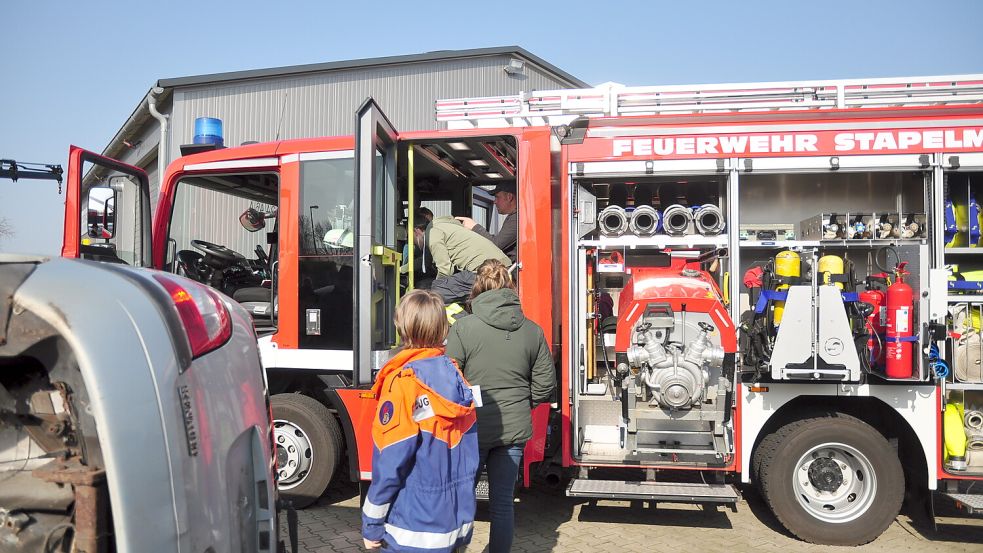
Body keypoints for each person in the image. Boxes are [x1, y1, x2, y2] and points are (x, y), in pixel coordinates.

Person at [444, 259, 555, 553]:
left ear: (478, 287)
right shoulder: (532, 331)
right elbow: (546, 385)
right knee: (503, 503)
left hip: (472, 429)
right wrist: (521, 402)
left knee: (462, 497)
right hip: (513, 430)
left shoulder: (463, 328)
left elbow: (450, 379)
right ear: (510, 288)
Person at [361, 289, 479, 552]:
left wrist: (371, 523)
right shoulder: (457, 377)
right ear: (442, 328)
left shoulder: (403, 383)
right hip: (454, 520)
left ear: (403, 326)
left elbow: (391, 460)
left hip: (412, 524)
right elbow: (469, 453)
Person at [426, 214, 510, 303]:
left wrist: (437, 286)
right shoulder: (449, 226)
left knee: (435, 294)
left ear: (417, 231)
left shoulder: (432, 231)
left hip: (485, 270)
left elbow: (445, 269)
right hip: (503, 265)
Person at [457, 182, 518, 262]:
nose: (495, 202)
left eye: (497, 197)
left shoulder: (516, 218)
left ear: (509, 197)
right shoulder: (515, 217)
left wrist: (474, 227)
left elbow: (496, 244)